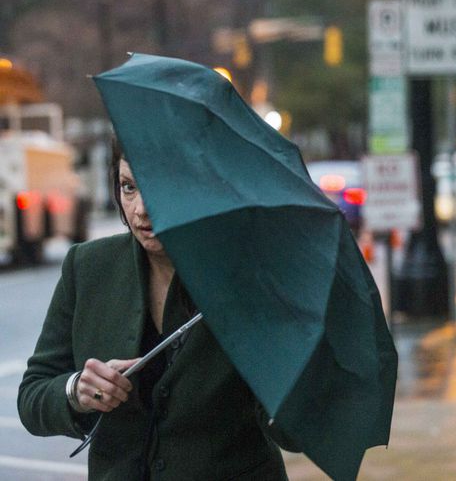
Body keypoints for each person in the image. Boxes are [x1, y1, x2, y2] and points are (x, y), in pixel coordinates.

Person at [18, 138, 297, 480]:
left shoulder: (247, 277)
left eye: (159, 187)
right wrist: (77, 390)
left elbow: (292, 433)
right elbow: (32, 396)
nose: (141, 209)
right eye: (129, 187)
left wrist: (283, 378)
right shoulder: (87, 266)